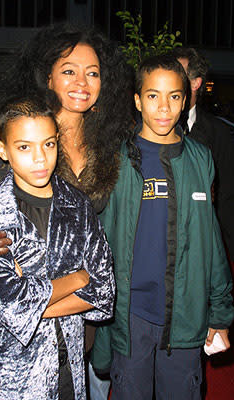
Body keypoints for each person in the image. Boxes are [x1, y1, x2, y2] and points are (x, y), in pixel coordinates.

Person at [0, 24, 132, 399]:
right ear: (47, 77)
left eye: (93, 72)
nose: (82, 81)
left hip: (80, 316)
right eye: (69, 70)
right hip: (24, 328)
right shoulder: (24, 136)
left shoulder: (110, 141)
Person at [90, 54, 234, 400]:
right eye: (153, 95)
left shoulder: (199, 157)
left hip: (186, 315)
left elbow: (210, 239)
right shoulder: (116, 157)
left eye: (174, 96)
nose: (164, 107)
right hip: (130, 315)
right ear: (137, 100)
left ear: (186, 100)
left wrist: (221, 313)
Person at [0, 95, 115, 399]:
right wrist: (77, 279)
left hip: (69, 361)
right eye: (24, 147)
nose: (40, 158)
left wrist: (32, 302)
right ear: (2, 150)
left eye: (48, 144)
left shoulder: (78, 204)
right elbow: (10, 305)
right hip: (12, 371)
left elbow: (103, 290)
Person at [170, 47, 234, 262]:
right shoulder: (146, 129)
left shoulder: (220, 133)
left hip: (202, 247)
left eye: (179, 72)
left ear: (196, 83)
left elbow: (226, 198)